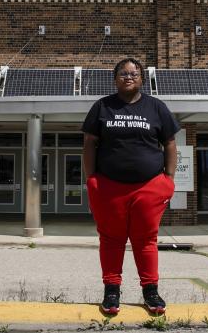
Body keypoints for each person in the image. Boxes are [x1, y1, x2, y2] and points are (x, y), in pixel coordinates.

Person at [82, 57, 180, 316]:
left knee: (146, 240)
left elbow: (169, 142)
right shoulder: (102, 107)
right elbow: (90, 143)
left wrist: (168, 179)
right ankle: (111, 291)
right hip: (108, 187)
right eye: (123, 73)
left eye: (134, 73)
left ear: (142, 79)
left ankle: (151, 291)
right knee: (111, 240)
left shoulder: (156, 107)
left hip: (149, 187)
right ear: (115, 79)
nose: (129, 77)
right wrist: (91, 179)